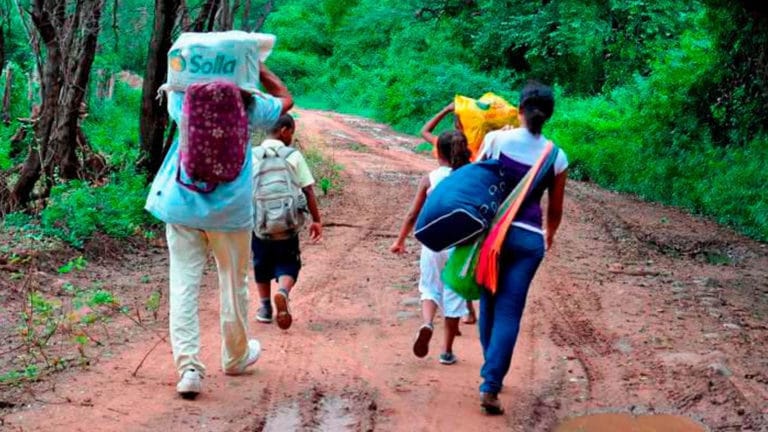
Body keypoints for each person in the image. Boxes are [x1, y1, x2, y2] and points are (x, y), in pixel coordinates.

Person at [144, 64, 293, 399]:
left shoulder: (185, 101)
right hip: (230, 211)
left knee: (183, 285)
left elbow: (174, 77)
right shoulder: (249, 107)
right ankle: (235, 358)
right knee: (233, 283)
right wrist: (258, 67)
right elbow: (286, 99)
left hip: (182, 205)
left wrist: (188, 66)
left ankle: (189, 370)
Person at [474, 81, 568, 414]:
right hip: (529, 240)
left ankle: (491, 374)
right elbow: (555, 209)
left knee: (488, 303)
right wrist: (549, 234)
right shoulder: (556, 157)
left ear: (519, 109)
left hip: (494, 237)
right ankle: (491, 383)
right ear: (548, 116)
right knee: (510, 312)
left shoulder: (496, 140)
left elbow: (475, 180)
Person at [390, 130, 472, 365]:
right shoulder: (470, 177)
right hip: (461, 244)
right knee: (454, 292)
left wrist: (400, 240)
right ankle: (446, 351)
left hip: (433, 241)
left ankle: (427, 323)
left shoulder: (431, 178)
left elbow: (413, 214)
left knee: (429, 287)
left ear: (438, 152)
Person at [252, 114, 322, 330]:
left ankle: (265, 308)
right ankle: (282, 292)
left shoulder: (252, 155)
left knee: (260, 263)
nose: (292, 136)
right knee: (289, 262)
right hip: (288, 223)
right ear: (283, 130)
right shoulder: (293, 156)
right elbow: (308, 189)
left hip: (260, 224)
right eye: (292, 132)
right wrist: (316, 220)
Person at [420, 104, 478, 326]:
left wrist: (445, 109)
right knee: (459, 262)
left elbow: (424, 131)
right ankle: (466, 312)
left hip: (439, 220)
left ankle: (453, 314)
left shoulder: (442, 144)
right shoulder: (473, 152)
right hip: (463, 220)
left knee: (436, 273)